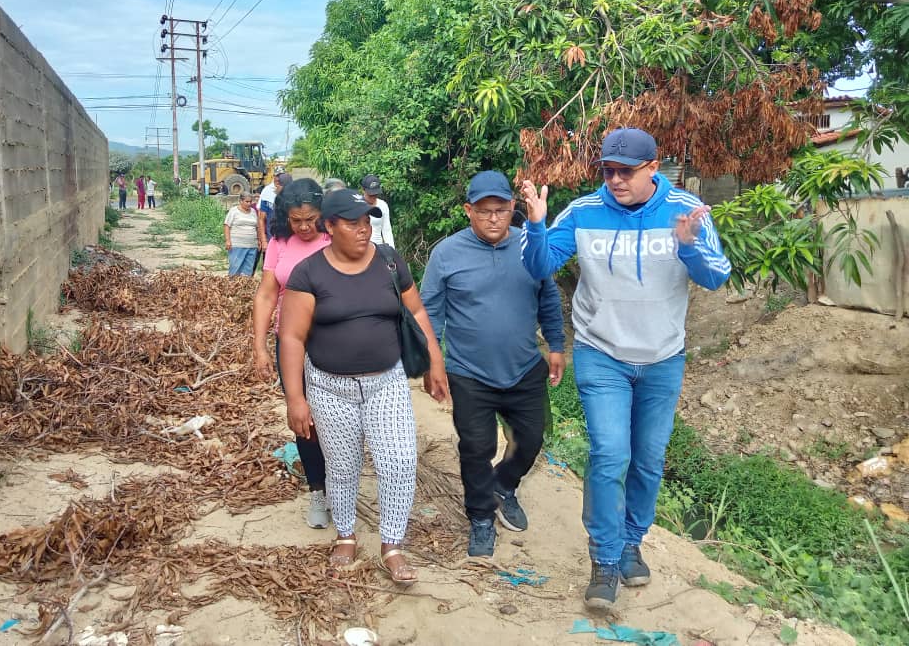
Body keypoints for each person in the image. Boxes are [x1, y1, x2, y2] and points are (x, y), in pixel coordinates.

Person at [520, 127, 730, 612]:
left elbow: (717, 276)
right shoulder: (584, 212)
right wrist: (536, 224)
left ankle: (633, 541)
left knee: (649, 459)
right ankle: (605, 561)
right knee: (610, 455)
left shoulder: (687, 210)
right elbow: (539, 266)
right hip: (602, 355)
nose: (615, 180)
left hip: (662, 358)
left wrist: (690, 246)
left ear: (653, 168)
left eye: (626, 172)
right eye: (608, 171)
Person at [279, 188, 447, 586]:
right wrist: (295, 399)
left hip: (386, 382)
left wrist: (434, 361)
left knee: (400, 461)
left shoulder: (389, 262)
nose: (363, 231)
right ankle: (346, 535)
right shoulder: (309, 273)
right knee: (342, 466)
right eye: (352, 223)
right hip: (328, 386)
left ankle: (392, 543)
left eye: (366, 222)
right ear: (330, 227)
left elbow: (417, 310)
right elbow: (291, 338)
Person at [420, 171, 565, 557]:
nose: (493, 218)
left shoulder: (530, 247)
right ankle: (481, 518)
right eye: (483, 211)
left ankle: (504, 484)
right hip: (470, 373)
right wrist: (431, 362)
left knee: (531, 439)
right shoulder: (446, 254)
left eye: (501, 210)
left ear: (512, 208)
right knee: (476, 447)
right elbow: (429, 313)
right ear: (468, 210)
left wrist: (556, 345)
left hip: (523, 368)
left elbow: (549, 299)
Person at [253, 178, 332, 528]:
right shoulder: (279, 242)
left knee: (336, 418)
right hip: (290, 345)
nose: (304, 227)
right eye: (297, 220)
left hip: (335, 342)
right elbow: (267, 295)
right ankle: (318, 490)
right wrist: (259, 345)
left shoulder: (336, 237)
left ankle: (340, 485)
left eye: (310, 219)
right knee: (304, 419)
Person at [224, 192, 259, 276]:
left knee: (248, 270)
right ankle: (232, 286)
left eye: (250, 202)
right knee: (235, 267)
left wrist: (259, 239)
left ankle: (244, 287)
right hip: (237, 245)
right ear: (240, 201)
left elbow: (257, 227)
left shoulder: (253, 212)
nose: (249, 204)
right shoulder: (234, 211)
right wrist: (228, 241)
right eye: (247, 202)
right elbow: (227, 225)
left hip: (252, 246)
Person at [258, 171, 292, 252]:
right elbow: (261, 219)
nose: (277, 185)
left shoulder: (294, 200)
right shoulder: (267, 192)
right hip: (272, 239)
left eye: (279, 183)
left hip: (290, 242)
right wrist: (263, 240)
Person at [360, 174, 394, 247]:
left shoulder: (383, 205)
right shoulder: (357, 205)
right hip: (362, 247)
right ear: (363, 190)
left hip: (378, 248)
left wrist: (391, 251)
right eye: (370, 195)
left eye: (375, 194)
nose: (373, 197)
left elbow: (387, 230)